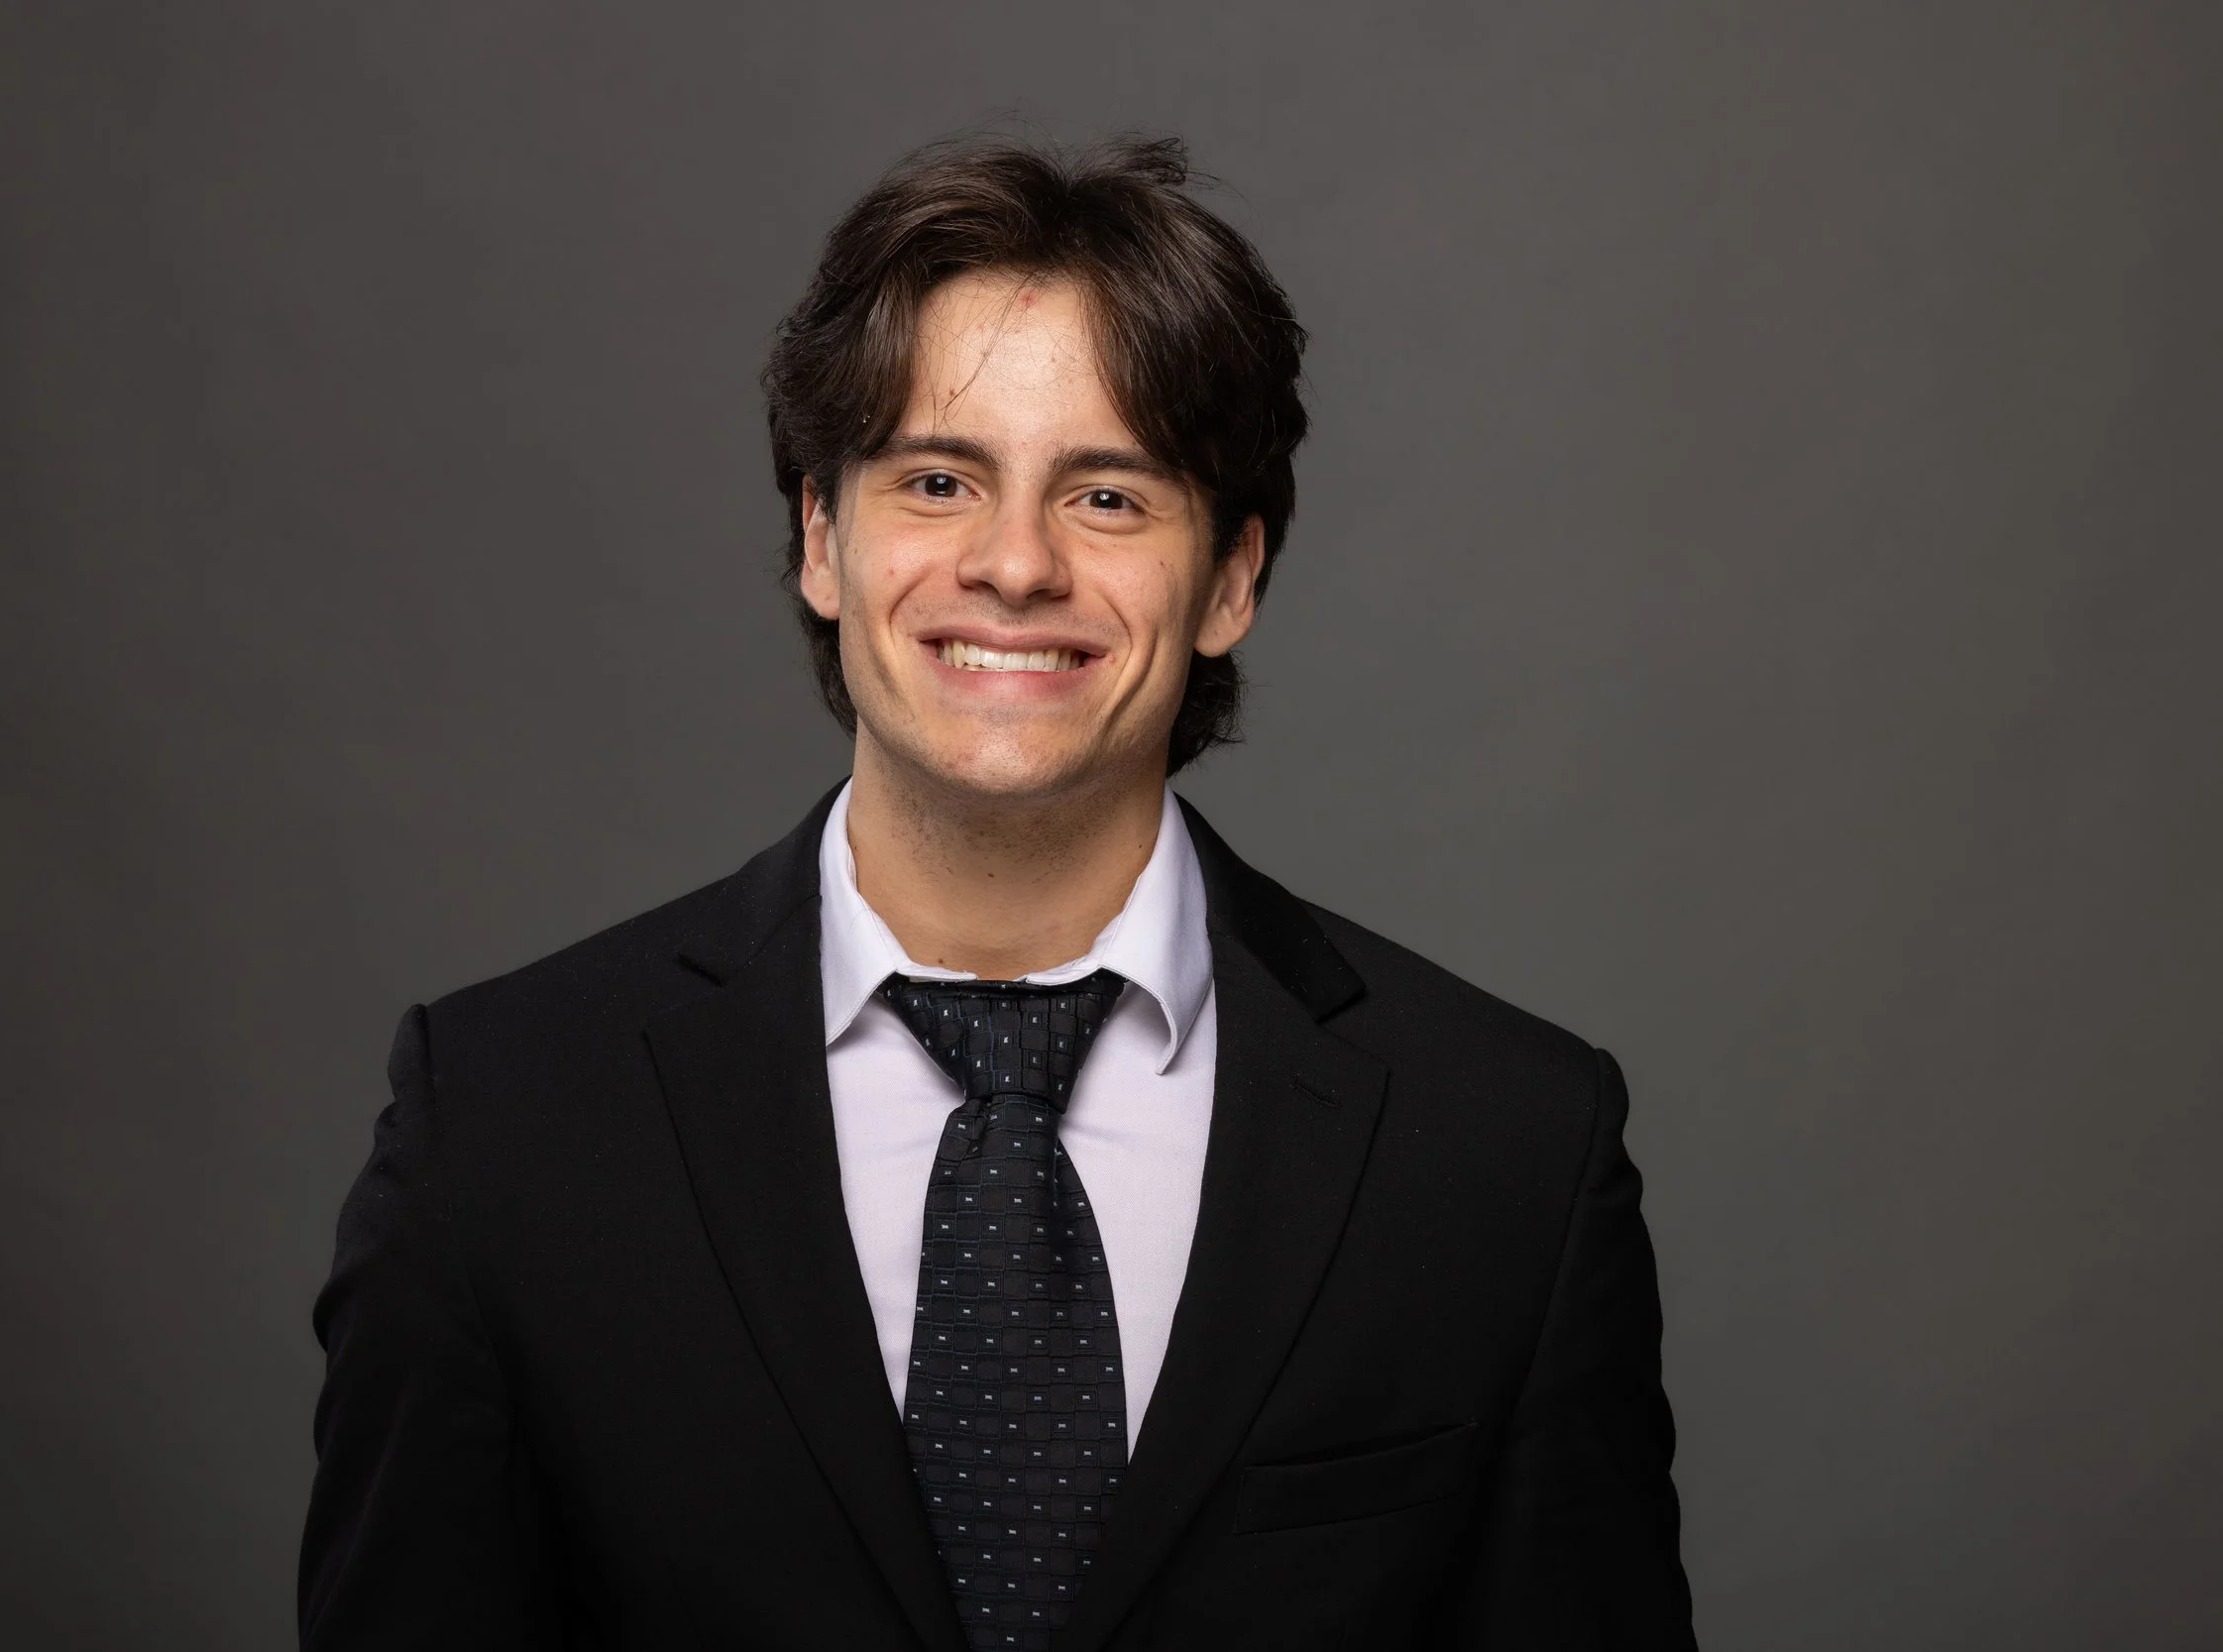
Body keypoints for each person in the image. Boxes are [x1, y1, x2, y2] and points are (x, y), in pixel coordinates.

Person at [298, 135, 1695, 1652]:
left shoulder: (1504, 1150)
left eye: (1108, 496)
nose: (1015, 564)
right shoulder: (501, 1124)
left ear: (1232, 578)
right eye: (938, 479)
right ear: (821, 537)